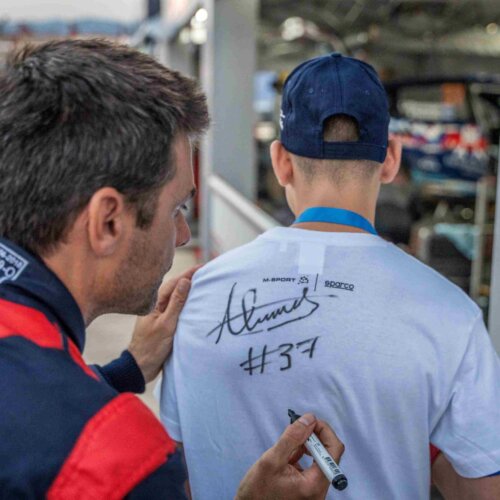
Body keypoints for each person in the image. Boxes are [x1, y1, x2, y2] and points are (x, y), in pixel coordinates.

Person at [0, 39, 344, 498]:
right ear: (108, 221)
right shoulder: (123, 464)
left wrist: (126, 371)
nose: (183, 235)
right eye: (177, 208)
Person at [159, 53, 500, 499]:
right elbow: (482, 489)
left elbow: (177, 471)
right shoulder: (451, 313)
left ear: (281, 161)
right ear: (391, 159)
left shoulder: (196, 298)